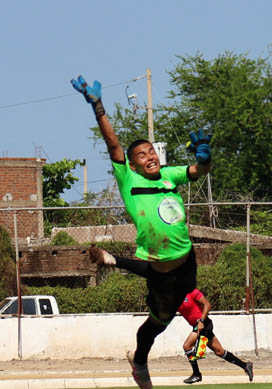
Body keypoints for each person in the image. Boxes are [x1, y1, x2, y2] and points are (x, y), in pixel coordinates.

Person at [72, 75, 212, 389]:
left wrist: (205, 158)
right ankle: (140, 363)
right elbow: (113, 144)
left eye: (152, 151)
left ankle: (114, 260)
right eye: (142, 155)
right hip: (162, 270)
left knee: (184, 292)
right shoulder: (129, 181)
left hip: (187, 263)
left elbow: (199, 170)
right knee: (158, 324)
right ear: (132, 165)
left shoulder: (170, 175)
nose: (150, 156)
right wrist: (98, 106)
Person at [178, 288, 253, 384]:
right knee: (220, 352)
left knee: (187, 346)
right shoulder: (175, 299)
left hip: (203, 324)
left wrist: (201, 321)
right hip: (197, 327)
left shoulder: (191, 291)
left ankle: (196, 374)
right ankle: (246, 365)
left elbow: (207, 305)